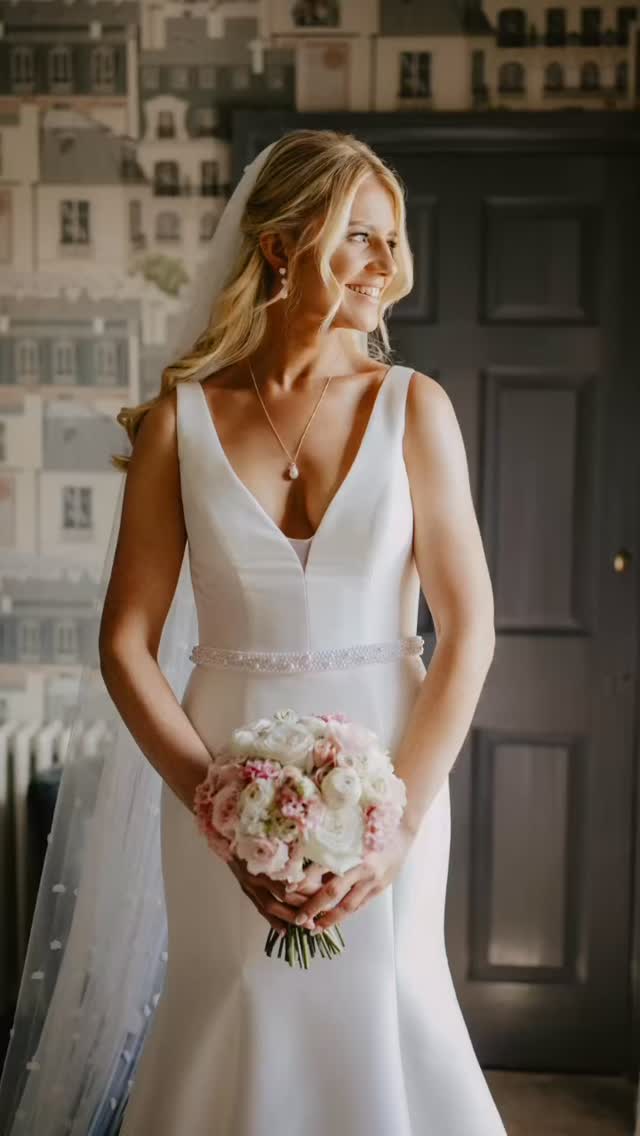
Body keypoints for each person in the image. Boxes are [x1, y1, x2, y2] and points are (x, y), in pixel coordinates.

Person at [0, 129, 507, 1135]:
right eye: (358, 235)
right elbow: (125, 643)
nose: (384, 264)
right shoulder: (178, 424)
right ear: (282, 243)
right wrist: (216, 811)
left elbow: (469, 630)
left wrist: (400, 819)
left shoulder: (416, 409)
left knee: (390, 999)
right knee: (236, 1000)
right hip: (219, 782)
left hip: (391, 780)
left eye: (391, 241)